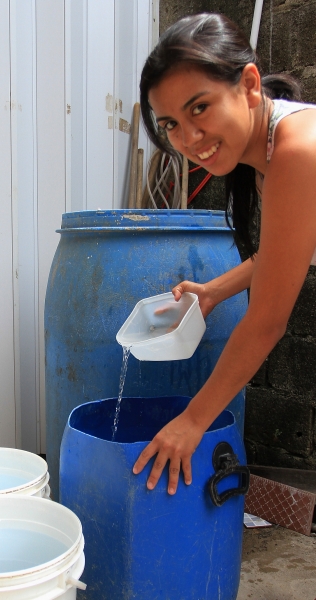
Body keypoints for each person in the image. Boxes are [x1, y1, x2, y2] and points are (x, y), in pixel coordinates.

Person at [132, 12, 316, 495]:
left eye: (200, 108)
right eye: (171, 122)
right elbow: (284, 253)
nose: (188, 139)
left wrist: (192, 421)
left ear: (249, 84)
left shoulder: (297, 151)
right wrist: (214, 290)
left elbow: (267, 321)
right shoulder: (273, 149)